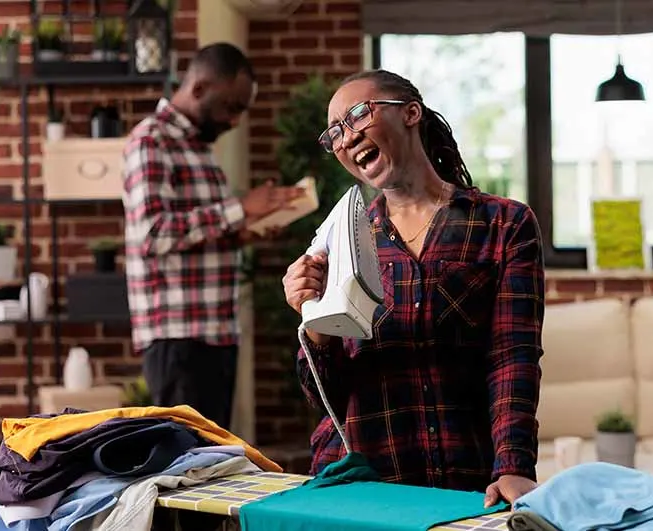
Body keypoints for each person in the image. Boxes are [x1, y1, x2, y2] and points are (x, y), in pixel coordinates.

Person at [280, 69, 545, 508]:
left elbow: (512, 357)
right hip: (365, 486)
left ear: (410, 113)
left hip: (466, 479)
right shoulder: (344, 242)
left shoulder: (504, 224)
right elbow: (322, 396)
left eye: (357, 116)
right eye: (334, 134)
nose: (345, 139)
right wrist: (315, 321)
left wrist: (513, 464)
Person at [123, 42, 303, 431]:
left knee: (214, 463)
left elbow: (192, 235)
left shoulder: (198, 148)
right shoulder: (151, 141)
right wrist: (241, 209)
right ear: (199, 89)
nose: (235, 121)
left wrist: (244, 233)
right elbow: (151, 234)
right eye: (231, 107)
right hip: (179, 338)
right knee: (188, 465)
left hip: (215, 332)